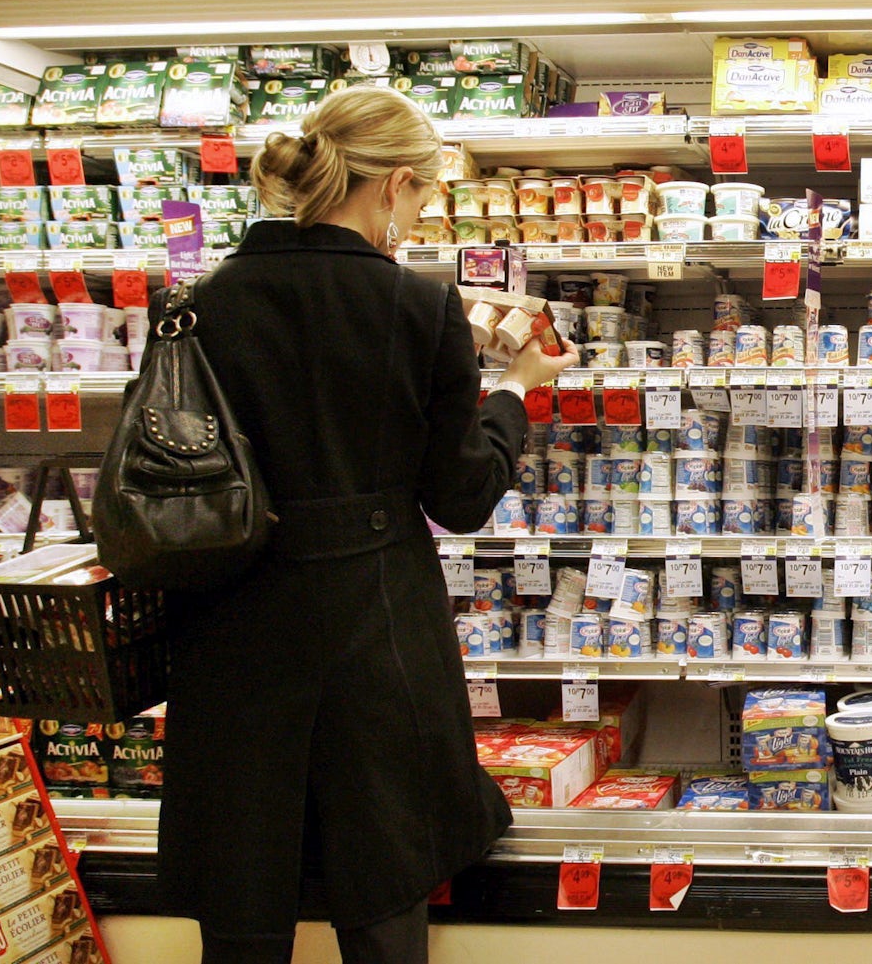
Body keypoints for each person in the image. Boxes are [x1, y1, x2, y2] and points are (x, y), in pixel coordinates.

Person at [156, 85, 575, 964]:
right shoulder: (415, 308)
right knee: (384, 900)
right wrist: (513, 389)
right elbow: (460, 496)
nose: (418, 217)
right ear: (389, 186)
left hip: (233, 634)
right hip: (374, 637)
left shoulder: (197, 306)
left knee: (241, 906)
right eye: (421, 194)